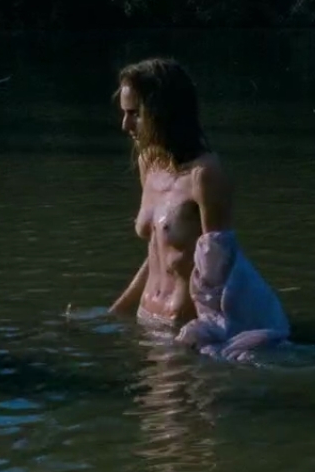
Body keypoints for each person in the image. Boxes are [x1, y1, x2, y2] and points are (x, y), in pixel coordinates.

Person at [106, 57, 290, 360]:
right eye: (124, 114)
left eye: (134, 114)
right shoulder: (148, 165)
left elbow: (217, 272)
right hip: (146, 320)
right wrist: (115, 313)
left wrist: (204, 336)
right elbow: (159, 253)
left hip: (183, 329)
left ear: (162, 111)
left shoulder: (204, 175)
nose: (125, 125)